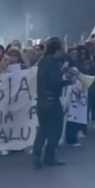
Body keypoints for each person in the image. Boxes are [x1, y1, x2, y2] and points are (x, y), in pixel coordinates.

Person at [33, 37, 74, 169]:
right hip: (52, 101)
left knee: (43, 130)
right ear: (57, 50)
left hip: (42, 101)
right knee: (55, 130)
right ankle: (49, 157)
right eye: (62, 48)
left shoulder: (43, 61)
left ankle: (37, 155)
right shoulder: (52, 63)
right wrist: (68, 81)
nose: (64, 51)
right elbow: (54, 82)